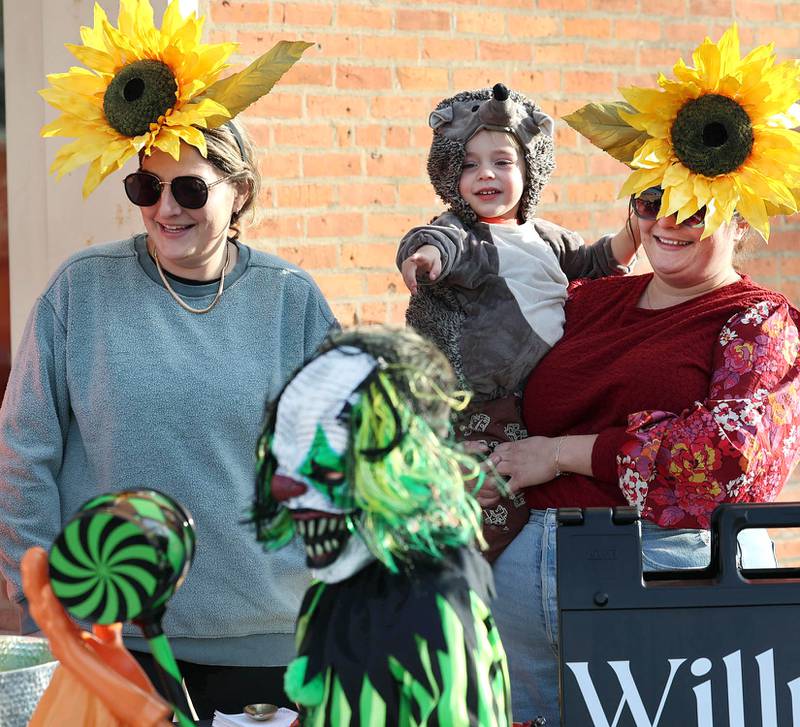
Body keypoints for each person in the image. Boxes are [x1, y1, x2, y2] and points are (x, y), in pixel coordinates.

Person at [0, 0, 332, 718]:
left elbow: (341, 463)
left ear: (239, 189)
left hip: (266, 648)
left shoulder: (290, 299)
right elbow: (24, 453)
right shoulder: (79, 291)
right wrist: (42, 609)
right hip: (113, 643)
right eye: (146, 188)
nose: (165, 209)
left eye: (189, 188)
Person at [487, 26, 800, 724]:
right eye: (652, 199)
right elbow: (485, 364)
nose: (669, 221)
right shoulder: (589, 300)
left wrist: (565, 452)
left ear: (743, 217)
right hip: (519, 587)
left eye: (696, 205)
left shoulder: (756, 320)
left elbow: (737, 454)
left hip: (666, 579)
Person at [396, 83, 638, 561]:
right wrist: (424, 256)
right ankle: (471, 594)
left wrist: (636, 230)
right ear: (449, 175)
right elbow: (436, 241)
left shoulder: (547, 238)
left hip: (547, 399)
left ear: (530, 169)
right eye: (469, 164)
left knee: (537, 493)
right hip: (487, 402)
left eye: (502, 162)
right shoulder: (465, 235)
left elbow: (596, 261)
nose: (485, 174)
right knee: (488, 496)